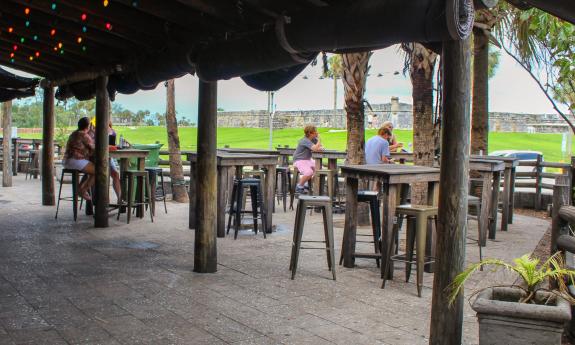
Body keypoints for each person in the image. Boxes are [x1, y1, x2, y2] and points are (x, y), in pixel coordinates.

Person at [63, 117, 95, 201]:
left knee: (92, 170)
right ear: (88, 126)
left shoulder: (74, 133)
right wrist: (92, 134)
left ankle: (81, 189)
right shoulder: (84, 134)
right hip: (76, 160)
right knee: (99, 170)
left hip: (67, 161)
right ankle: (82, 190)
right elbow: (94, 148)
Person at [293, 125, 323, 194]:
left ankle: (307, 184)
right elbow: (315, 148)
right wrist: (319, 140)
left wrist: (318, 146)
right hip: (299, 160)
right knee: (309, 172)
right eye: (315, 131)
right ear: (310, 133)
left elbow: (320, 147)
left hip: (308, 159)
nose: (317, 133)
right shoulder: (304, 141)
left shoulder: (313, 140)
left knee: (319, 169)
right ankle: (299, 186)